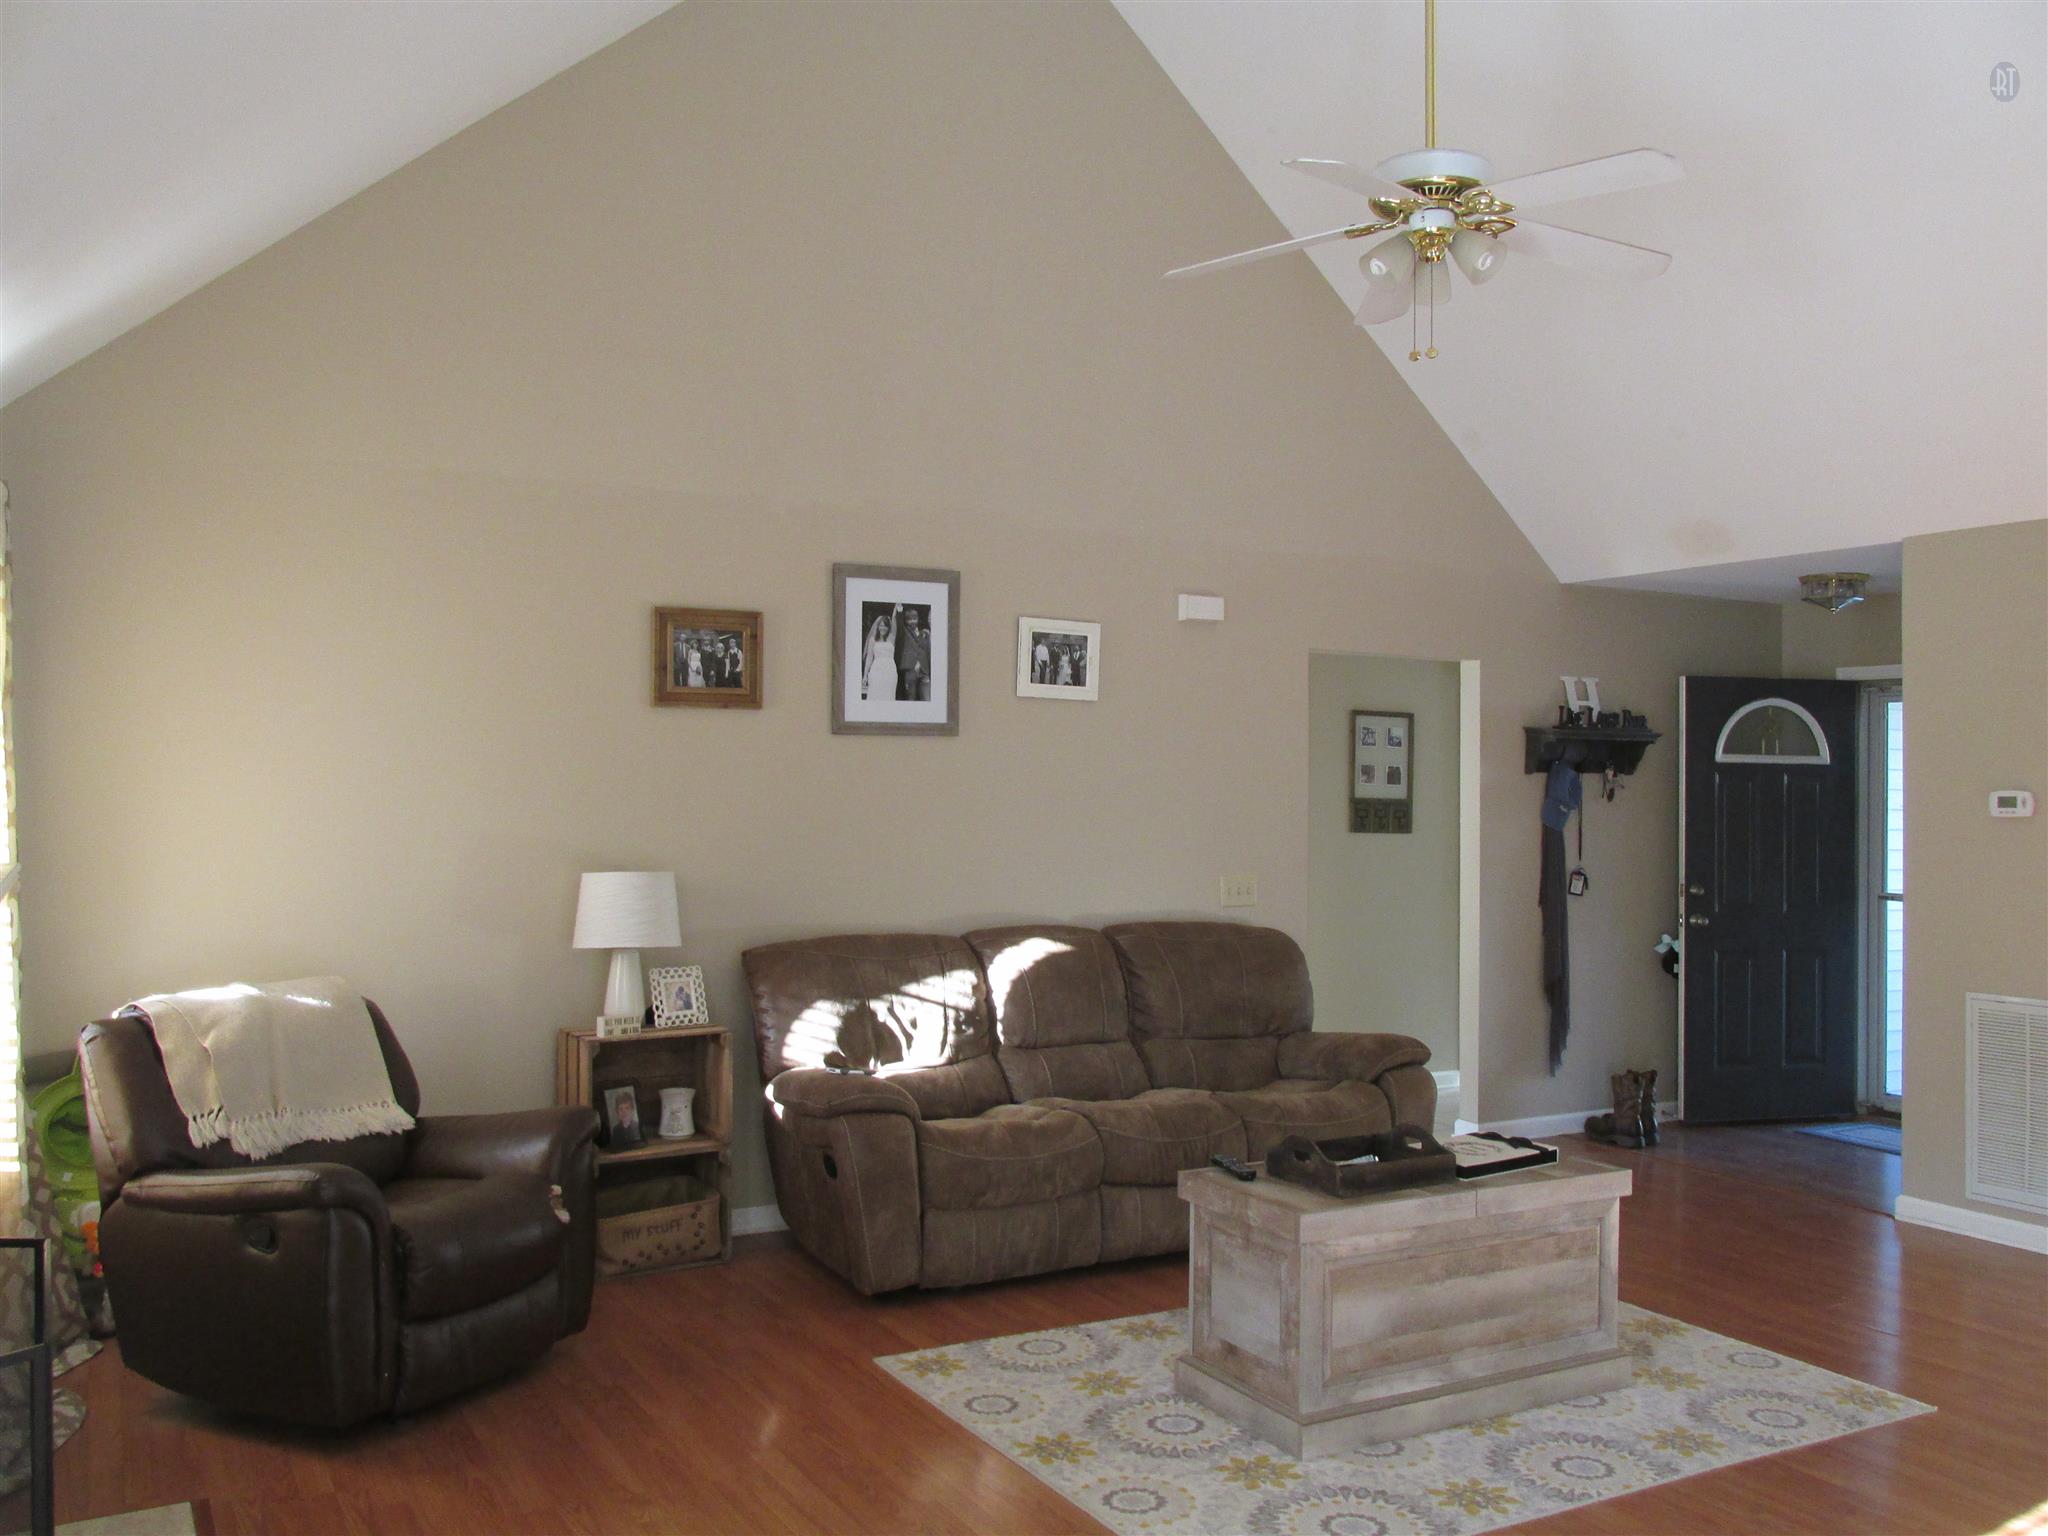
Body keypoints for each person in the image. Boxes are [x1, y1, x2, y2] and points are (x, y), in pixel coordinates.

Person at [862, 605, 898, 702]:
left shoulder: (891, 638)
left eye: (885, 626)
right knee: (875, 694)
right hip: (876, 670)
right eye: (881, 625)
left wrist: (895, 610)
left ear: (888, 627)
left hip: (890, 670)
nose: (883, 628)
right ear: (877, 627)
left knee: (888, 695)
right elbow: (869, 658)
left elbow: (894, 621)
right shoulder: (872, 640)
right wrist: (865, 675)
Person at [896, 608, 931, 701]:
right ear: (906, 621)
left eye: (914, 618)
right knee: (910, 699)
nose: (912, 621)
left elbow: (927, 651)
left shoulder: (924, 633)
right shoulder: (904, 632)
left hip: (924, 671)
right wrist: (899, 610)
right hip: (910, 671)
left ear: (918, 619)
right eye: (909, 619)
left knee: (927, 699)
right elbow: (899, 625)